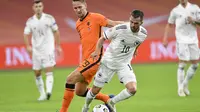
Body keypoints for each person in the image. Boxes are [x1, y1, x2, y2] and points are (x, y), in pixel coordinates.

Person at [59, 0, 123, 111]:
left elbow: (113, 24)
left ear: (85, 5)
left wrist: (129, 25)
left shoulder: (96, 17)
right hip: (86, 60)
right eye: (75, 8)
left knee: (70, 80)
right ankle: (107, 98)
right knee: (80, 91)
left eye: (80, 7)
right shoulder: (78, 24)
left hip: (95, 59)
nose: (78, 10)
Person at [82, 10, 147, 112]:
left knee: (132, 89)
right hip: (108, 62)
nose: (133, 25)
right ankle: (85, 107)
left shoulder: (143, 33)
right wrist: (97, 51)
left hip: (124, 64)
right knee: (95, 90)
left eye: (136, 23)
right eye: (131, 22)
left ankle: (111, 102)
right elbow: (102, 38)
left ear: (141, 23)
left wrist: (136, 49)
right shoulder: (120, 29)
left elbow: (138, 42)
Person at [24, 0, 62, 101]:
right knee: (37, 73)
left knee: (49, 70)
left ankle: (48, 91)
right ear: (33, 8)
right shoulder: (30, 21)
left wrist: (58, 46)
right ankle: (42, 94)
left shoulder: (49, 19)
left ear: (43, 7)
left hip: (48, 49)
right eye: (36, 6)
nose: (38, 8)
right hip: (36, 50)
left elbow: (56, 31)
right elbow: (25, 33)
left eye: (40, 6)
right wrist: (28, 46)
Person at [163, 0, 200, 97]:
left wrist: (194, 21)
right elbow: (169, 25)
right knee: (182, 63)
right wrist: (165, 38)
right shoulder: (175, 10)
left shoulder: (195, 8)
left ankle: (185, 83)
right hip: (181, 40)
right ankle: (180, 88)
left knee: (195, 65)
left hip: (193, 40)